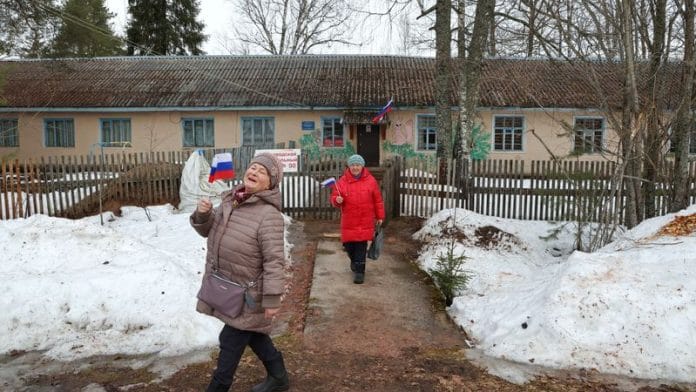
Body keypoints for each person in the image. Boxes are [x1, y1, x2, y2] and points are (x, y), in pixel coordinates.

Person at [191, 153, 289, 392]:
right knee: (253, 333)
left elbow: (275, 260)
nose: (254, 172)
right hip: (227, 285)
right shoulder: (231, 200)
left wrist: (272, 298)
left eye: (262, 171)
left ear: (270, 183)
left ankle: (218, 387)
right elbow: (210, 232)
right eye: (253, 167)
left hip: (249, 293)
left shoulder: (268, 215)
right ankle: (278, 377)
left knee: (231, 340)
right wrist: (204, 215)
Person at [330, 154, 385, 284]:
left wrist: (380, 216)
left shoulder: (371, 181)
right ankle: (354, 262)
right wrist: (337, 200)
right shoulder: (342, 181)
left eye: (358, 165)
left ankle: (360, 272)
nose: (355, 167)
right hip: (349, 220)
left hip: (365, 220)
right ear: (349, 166)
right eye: (353, 165)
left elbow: (378, 200)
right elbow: (334, 196)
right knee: (349, 246)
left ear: (362, 166)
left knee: (361, 246)